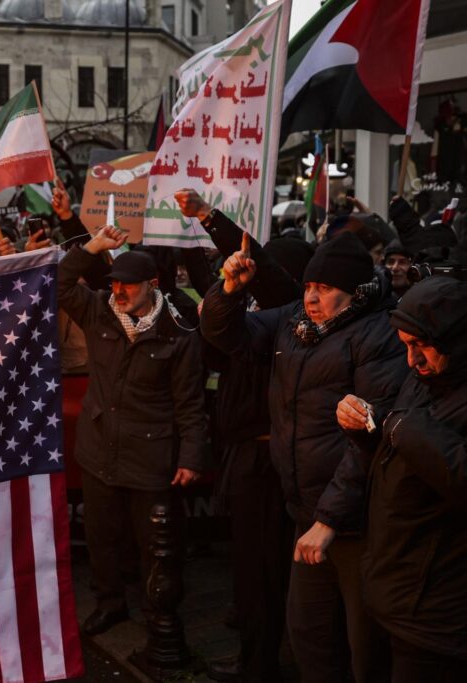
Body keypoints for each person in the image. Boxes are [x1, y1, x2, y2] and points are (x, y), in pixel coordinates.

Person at [201, 231, 408, 682]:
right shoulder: (295, 319)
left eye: (325, 289)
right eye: (309, 286)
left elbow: (369, 441)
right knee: (309, 635)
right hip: (306, 511)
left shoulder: (379, 335)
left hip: (357, 521)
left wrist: (329, 519)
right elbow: (225, 336)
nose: (311, 298)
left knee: (365, 647)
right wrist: (229, 291)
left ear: (353, 291)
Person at [175, 189, 309, 682]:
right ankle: (256, 651)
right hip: (242, 455)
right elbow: (213, 345)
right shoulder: (254, 321)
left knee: (266, 570)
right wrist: (221, 297)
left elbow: (269, 277)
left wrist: (210, 217)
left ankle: (262, 664)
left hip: (269, 459)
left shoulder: (289, 315)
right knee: (250, 567)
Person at [57, 224, 207, 635]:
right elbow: (59, 282)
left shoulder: (178, 332)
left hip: (149, 456)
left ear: (152, 286)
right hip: (99, 450)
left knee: (154, 543)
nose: (118, 291)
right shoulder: (97, 309)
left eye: (128, 285)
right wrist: (93, 246)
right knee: (101, 538)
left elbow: (190, 403)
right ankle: (110, 604)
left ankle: (157, 611)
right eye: (114, 283)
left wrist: (191, 457)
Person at [334, 276, 467, 680]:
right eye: (405, 345)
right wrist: (365, 427)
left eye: (420, 345)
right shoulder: (427, 376)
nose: (412, 360)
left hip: (437, 619)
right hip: (396, 595)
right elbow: (401, 453)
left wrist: (406, 430)